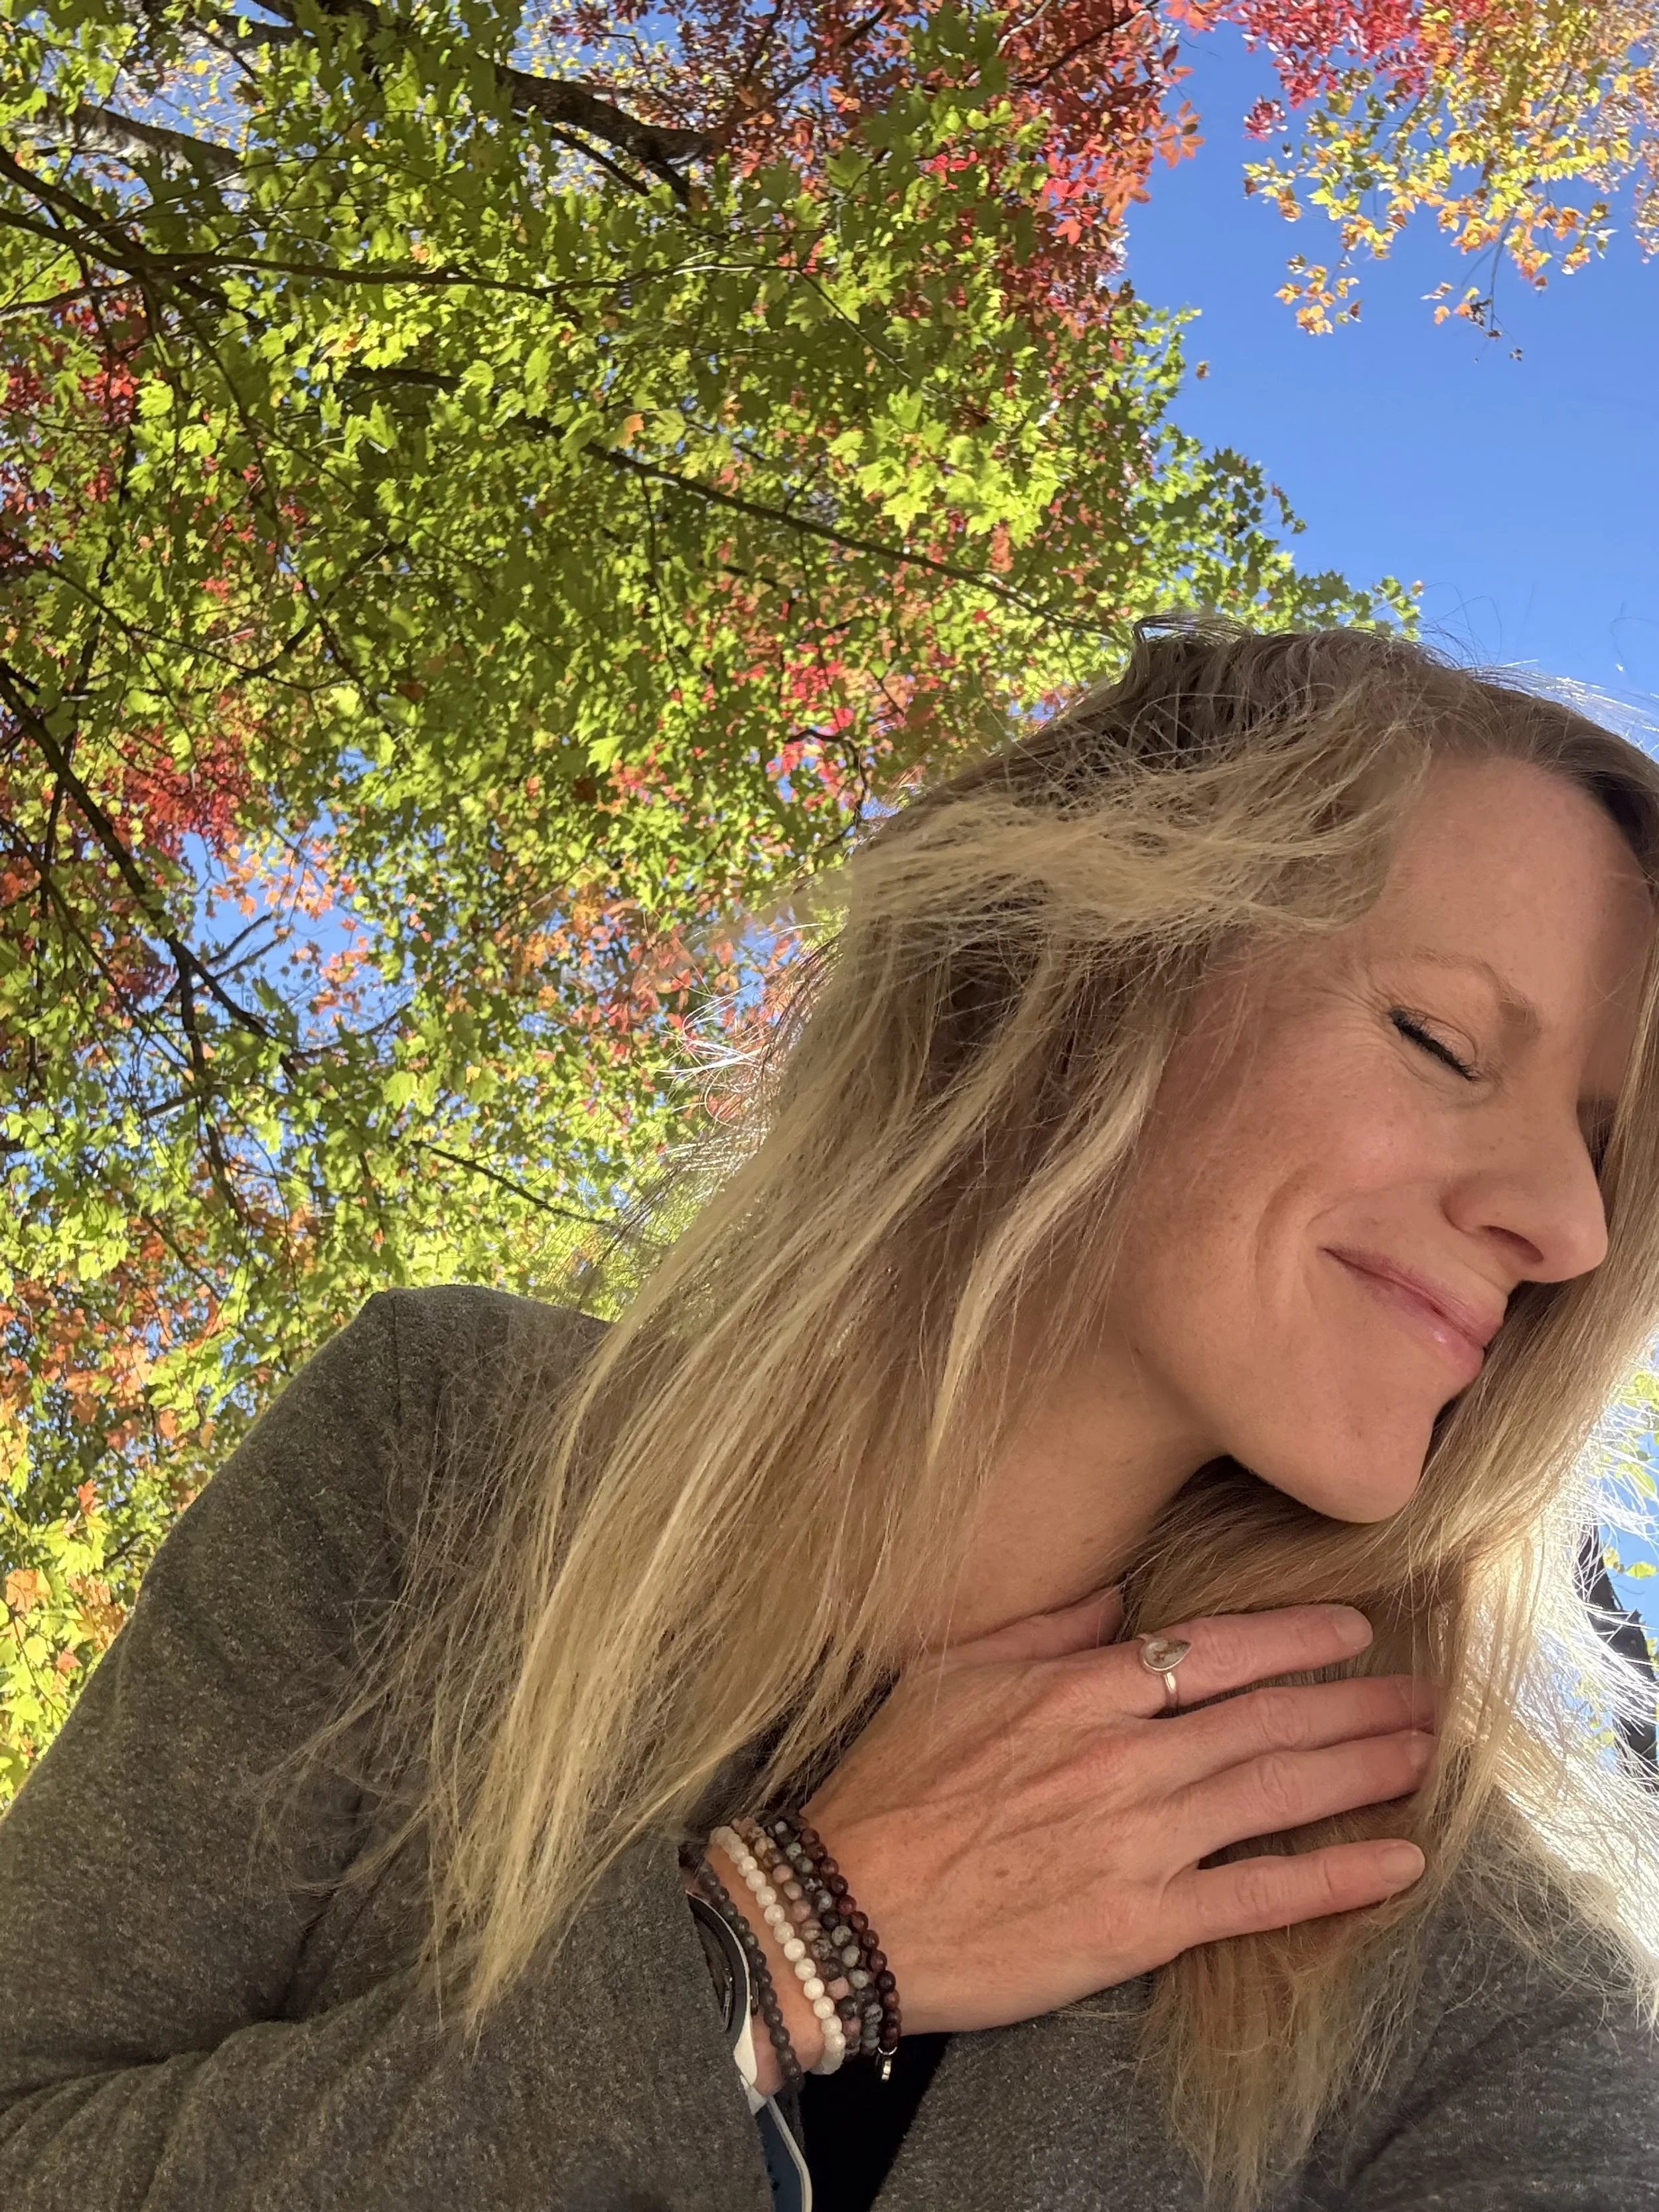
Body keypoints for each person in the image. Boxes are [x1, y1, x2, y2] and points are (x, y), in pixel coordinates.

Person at [3, 617, 1658, 2212]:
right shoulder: (444, 1459)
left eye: (1590, 1144)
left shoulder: (1465, 1951)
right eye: (1442, 1041)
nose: (1564, 1229)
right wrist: (771, 1951)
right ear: (1088, 977)